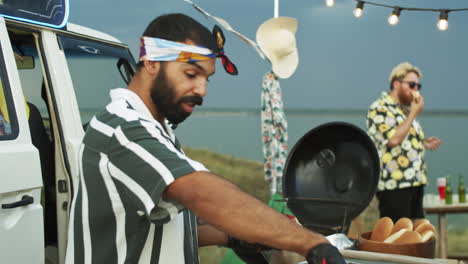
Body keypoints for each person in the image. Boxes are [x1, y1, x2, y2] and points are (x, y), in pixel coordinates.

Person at [64, 13, 345, 264]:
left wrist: (233, 237)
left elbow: (169, 223)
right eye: (191, 74)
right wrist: (311, 243)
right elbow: (201, 192)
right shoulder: (122, 129)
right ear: (151, 62)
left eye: (207, 78)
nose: (202, 90)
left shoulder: (156, 130)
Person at [367, 62, 442, 223]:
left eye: (418, 85)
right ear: (396, 84)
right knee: (396, 238)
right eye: (412, 85)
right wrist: (413, 114)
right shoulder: (380, 108)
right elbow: (392, 140)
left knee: (414, 237)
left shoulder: (404, 110)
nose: (416, 90)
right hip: (395, 185)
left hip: (415, 181)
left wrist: (423, 142)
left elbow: (403, 140)